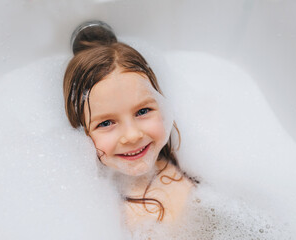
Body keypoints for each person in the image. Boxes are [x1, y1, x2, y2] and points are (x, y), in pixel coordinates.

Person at [63, 21, 198, 230]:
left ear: (162, 106)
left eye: (143, 111)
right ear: (82, 133)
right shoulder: (105, 218)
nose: (132, 135)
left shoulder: (194, 168)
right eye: (106, 123)